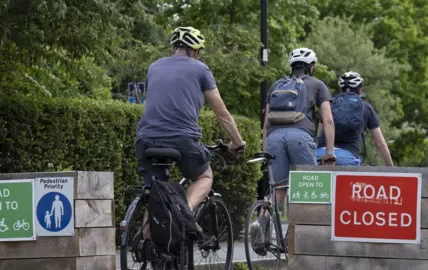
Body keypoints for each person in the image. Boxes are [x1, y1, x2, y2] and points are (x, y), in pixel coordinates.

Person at [135, 26, 246, 238]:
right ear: (195, 51)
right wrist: (237, 142)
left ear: (174, 48)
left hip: (145, 138)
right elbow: (221, 112)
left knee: (155, 193)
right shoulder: (200, 69)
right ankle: (182, 211)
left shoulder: (154, 67)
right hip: (181, 138)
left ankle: (147, 244)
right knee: (204, 175)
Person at [251, 48, 335, 250]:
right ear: (311, 67)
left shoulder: (277, 85)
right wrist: (329, 152)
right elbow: (328, 120)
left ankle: (260, 221)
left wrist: (265, 151)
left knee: (278, 188)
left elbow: (265, 123)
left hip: (273, 139)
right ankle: (294, 236)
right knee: (306, 187)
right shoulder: (317, 85)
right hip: (300, 137)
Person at [316, 71, 394, 166]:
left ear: (341, 89)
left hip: (321, 155)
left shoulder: (329, 104)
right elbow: (380, 142)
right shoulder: (366, 107)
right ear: (360, 89)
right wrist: (391, 167)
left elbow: (319, 134)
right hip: (347, 158)